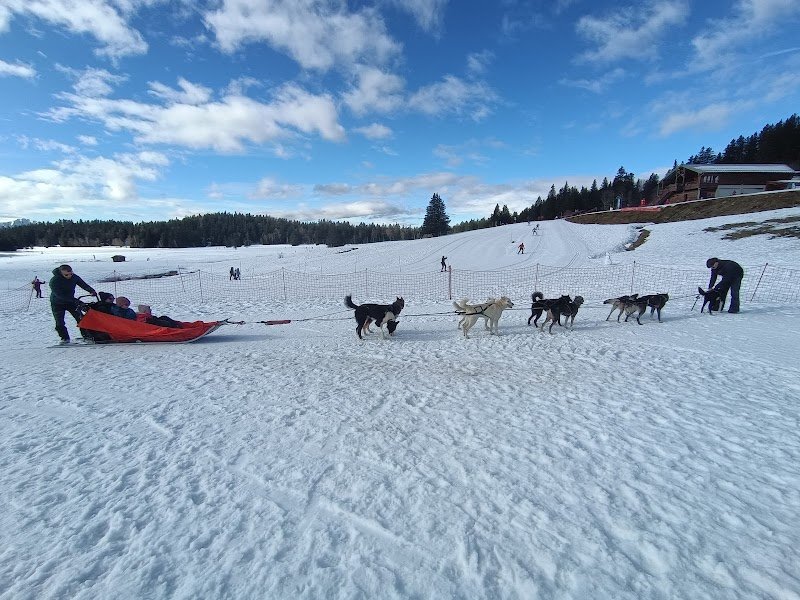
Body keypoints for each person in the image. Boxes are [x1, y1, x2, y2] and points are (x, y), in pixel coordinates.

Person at [49, 264, 97, 343]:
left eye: (71, 273)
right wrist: (76, 301)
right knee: (59, 322)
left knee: (81, 318)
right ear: (61, 273)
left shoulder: (74, 277)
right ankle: (64, 338)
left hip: (71, 301)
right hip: (57, 303)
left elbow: (83, 284)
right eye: (66, 275)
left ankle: (87, 336)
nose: (69, 276)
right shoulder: (54, 281)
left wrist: (91, 290)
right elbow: (60, 295)